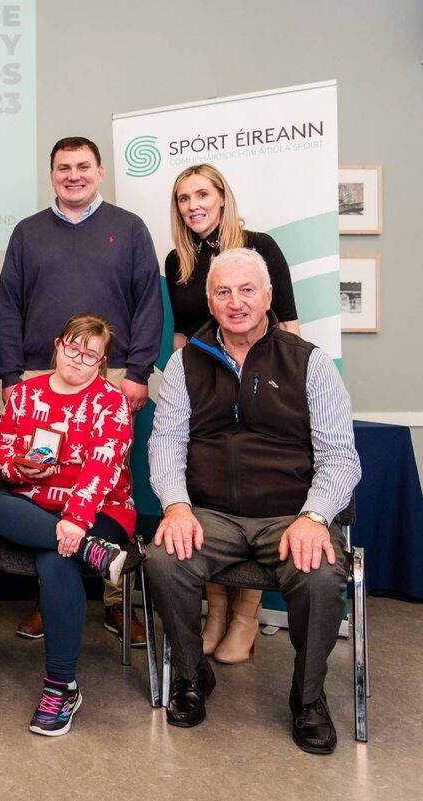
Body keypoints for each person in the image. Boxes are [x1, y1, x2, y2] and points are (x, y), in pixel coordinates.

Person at [147, 248, 360, 754]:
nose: (235, 302)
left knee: (322, 574)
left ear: (268, 296)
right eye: (223, 292)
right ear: (209, 300)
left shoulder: (309, 363)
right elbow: (166, 443)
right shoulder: (184, 362)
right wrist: (176, 505)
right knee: (162, 559)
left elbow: (341, 457)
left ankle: (308, 698)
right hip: (211, 515)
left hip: (290, 516)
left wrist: (313, 517)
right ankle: (193, 675)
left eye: (247, 290)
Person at [0, 136, 162, 646]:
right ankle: (52, 595)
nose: (73, 175)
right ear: (51, 175)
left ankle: (115, 603)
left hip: (111, 375)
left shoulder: (129, 229)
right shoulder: (27, 233)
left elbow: (147, 303)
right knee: (40, 479)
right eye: (63, 168)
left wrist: (137, 372)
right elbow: (8, 305)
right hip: (39, 378)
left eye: (82, 167)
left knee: (107, 481)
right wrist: (10, 375)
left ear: (100, 172)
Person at [166, 165, 302, 662]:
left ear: (223, 198)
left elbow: (288, 325)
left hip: (260, 385)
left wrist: (283, 394)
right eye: (183, 198)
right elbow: (182, 338)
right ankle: (216, 612)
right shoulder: (176, 260)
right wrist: (176, 392)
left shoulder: (260, 245)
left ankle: (245, 616)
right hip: (205, 391)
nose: (193, 205)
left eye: (202, 194)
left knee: (260, 488)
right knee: (210, 490)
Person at [0, 314, 134, 736]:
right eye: (72, 347)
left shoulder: (110, 401)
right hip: (36, 507)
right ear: (58, 343)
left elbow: (102, 468)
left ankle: (60, 687)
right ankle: (91, 554)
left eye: (90, 355)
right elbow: (1, 447)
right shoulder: (26, 393)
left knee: (54, 559)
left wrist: (77, 523)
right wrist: (23, 470)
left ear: (101, 362)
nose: (78, 360)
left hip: (100, 512)